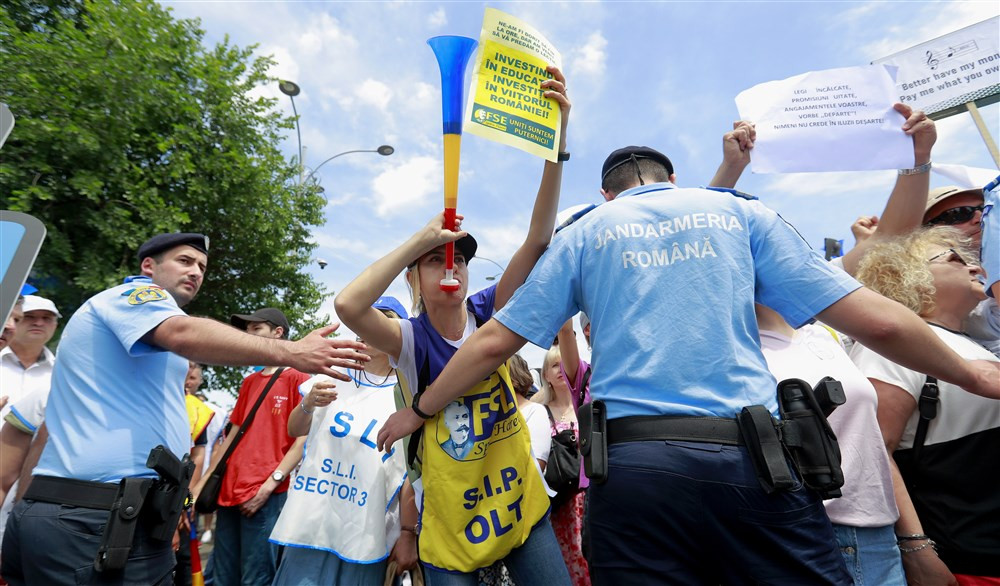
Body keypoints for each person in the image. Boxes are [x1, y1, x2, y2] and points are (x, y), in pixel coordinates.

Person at [376, 145, 1000, 585]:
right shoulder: (742, 213)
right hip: (755, 463)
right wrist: (972, 373)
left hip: (633, 472)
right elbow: (878, 320)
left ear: (607, 193)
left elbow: (492, 343)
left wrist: (419, 409)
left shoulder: (586, 232)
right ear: (671, 179)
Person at [0, 233, 368, 586]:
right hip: (92, 520)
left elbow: (52, 428)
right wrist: (293, 351)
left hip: (107, 516)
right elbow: (182, 334)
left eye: (202, 267)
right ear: (149, 266)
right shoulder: (132, 297)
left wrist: (28, 508)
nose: (195, 271)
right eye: (184, 261)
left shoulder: (142, 345)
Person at [337, 66, 572, 585]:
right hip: (450, 523)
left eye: (460, 258)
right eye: (435, 259)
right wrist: (420, 240)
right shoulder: (407, 339)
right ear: (414, 278)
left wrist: (556, 147)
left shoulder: (489, 311)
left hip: (518, 505)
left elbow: (538, 239)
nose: (452, 265)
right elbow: (349, 305)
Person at [850, 228, 1000, 585]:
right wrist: (916, 548)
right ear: (907, 274)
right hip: (963, 560)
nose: (975, 267)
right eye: (954, 258)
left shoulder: (978, 346)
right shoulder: (891, 347)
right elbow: (874, 448)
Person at [270, 297, 417, 586]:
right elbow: (295, 429)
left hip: (368, 530)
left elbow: (407, 471)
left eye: (378, 322)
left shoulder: (409, 394)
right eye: (362, 323)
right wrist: (308, 404)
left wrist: (407, 533)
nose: (365, 331)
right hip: (313, 520)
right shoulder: (333, 374)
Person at [755, 304, 905, 585]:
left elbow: (873, 442)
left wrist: (914, 539)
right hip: (798, 536)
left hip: (878, 538)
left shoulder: (826, 334)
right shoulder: (732, 346)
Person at [196, 307, 310, 586]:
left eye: (256, 329)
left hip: (264, 492)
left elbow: (303, 439)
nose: (249, 335)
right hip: (228, 490)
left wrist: (270, 485)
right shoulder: (249, 382)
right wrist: (202, 484)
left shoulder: (299, 377)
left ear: (278, 332)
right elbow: (231, 436)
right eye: (247, 331)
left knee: (256, 578)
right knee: (221, 577)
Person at [531, 345, 589, 586]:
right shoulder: (539, 412)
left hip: (589, 498)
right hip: (560, 503)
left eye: (564, 363)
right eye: (554, 365)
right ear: (545, 375)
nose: (561, 369)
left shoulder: (586, 405)